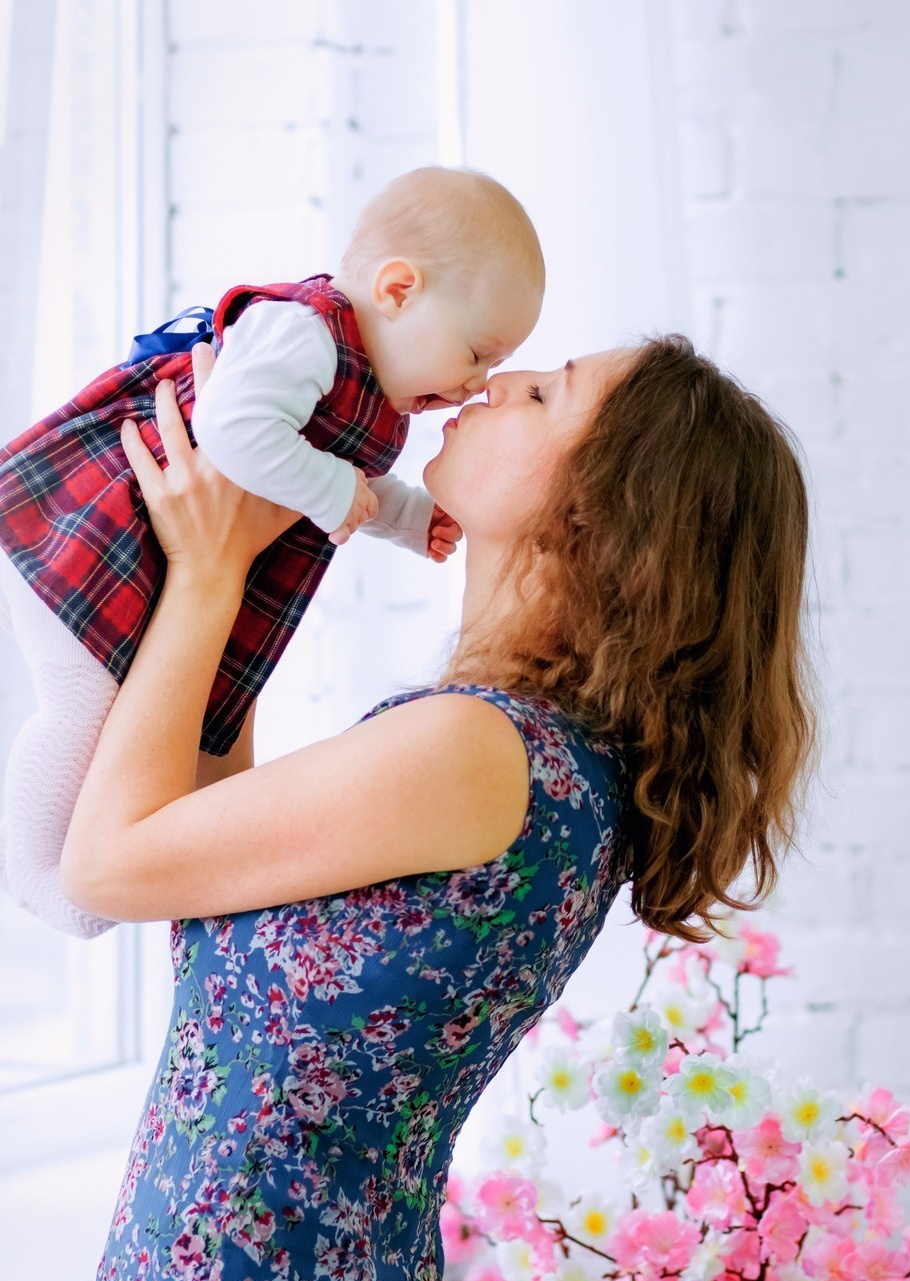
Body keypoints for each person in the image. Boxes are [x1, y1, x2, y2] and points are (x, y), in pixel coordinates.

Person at [62, 331, 815, 1281]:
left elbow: (108, 865)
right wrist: (248, 555)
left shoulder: (478, 749)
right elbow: (201, 856)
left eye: (546, 395)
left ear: (601, 513)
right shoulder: (535, 755)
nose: (501, 380)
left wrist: (207, 581)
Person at [0, 165, 543, 939]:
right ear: (397, 290)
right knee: (82, 709)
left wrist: (410, 517)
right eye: (477, 353)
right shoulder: (309, 331)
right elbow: (235, 433)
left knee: (125, 728)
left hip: (143, 552)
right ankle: (32, 871)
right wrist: (330, 489)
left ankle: (78, 880)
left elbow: (344, 484)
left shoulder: (366, 386)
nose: (476, 383)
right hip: (86, 530)